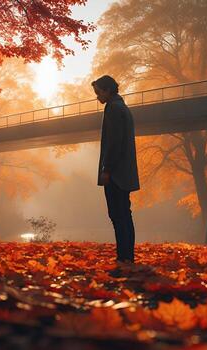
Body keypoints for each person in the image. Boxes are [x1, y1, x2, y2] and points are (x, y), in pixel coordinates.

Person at [92, 75, 140, 264]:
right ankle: (128, 256)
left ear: (107, 90)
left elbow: (114, 143)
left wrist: (107, 169)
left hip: (116, 174)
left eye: (98, 92)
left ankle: (123, 257)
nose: (97, 97)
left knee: (117, 215)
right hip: (125, 172)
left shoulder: (113, 109)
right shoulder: (124, 108)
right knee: (125, 214)